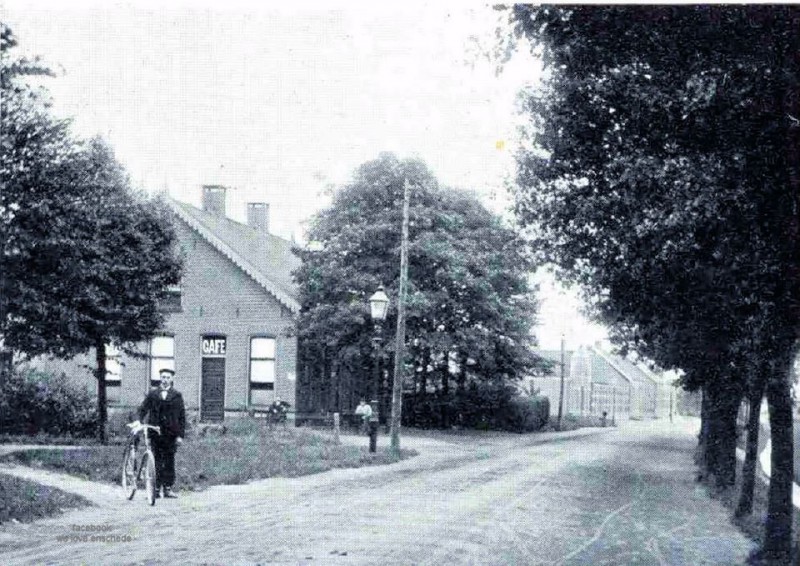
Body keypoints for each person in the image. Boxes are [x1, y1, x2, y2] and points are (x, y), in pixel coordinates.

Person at [135, 368, 186, 498]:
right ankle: (156, 489)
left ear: (172, 379)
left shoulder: (177, 395)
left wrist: (180, 435)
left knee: (169, 460)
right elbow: (143, 409)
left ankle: (167, 488)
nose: (165, 380)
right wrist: (138, 421)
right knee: (156, 459)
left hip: (170, 433)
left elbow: (181, 416)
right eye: (163, 377)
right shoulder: (153, 394)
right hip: (155, 432)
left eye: (168, 377)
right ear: (160, 378)